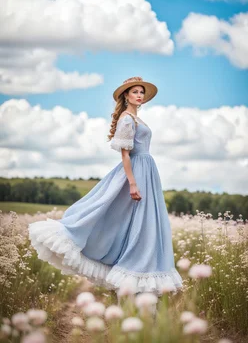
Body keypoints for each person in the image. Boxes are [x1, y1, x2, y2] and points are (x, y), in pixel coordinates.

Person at [28, 76, 183, 296]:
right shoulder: (127, 119)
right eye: (135, 92)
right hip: (136, 171)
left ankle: (141, 269)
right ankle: (121, 264)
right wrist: (132, 182)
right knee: (117, 215)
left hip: (148, 172)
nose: (139, 95)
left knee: (142, 221)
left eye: (141, 92)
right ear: (126, 95)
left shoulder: (137, 119)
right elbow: (125, 154)